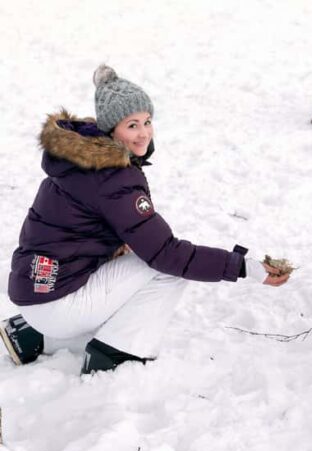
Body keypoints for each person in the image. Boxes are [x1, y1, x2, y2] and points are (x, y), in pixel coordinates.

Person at [1, 65, 290, 374]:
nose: (143, 133)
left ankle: (33, 336)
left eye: (147, 122)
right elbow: (167, 254)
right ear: (111, 129)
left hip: (36, 292)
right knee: (165, 269)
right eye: (132, 125)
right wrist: (243, 267)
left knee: (131, 260)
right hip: (56, 304)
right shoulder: (112, 177)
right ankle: (115, 353)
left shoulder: (78, 162)